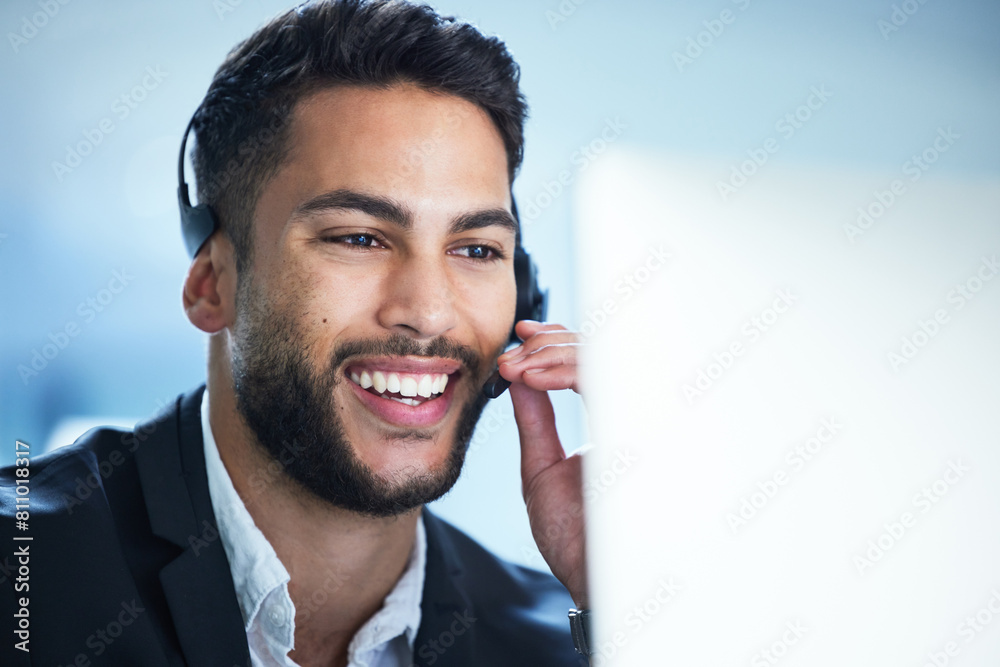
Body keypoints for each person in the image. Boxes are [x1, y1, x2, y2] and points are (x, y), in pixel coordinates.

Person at [1, 1, 590, 665]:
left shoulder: (568, 631)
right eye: (359, 238)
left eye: (477, 249)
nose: (429, 313)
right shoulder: (20, 574)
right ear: (212, 284)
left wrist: (629, 592)